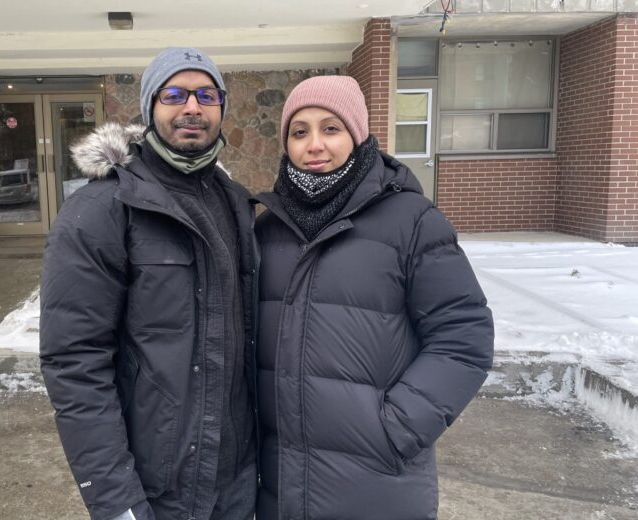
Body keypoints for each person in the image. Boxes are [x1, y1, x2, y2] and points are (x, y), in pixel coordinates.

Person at [254, 75, 495, 520]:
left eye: (331, 128)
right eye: (299, 131)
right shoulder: (267, 230)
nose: (314, 146)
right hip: (282, 487)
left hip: (377, 485)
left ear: (358, 134)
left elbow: (463, 337)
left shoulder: (412, 221)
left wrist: (397, 429)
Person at [39, 47, 258, 520]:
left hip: (237, 483)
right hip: (158, 490)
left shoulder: (236, 203)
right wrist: (115, 498)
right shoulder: (102, 210)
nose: (192, 107)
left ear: (222, 107)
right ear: (149, 107)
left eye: (206, 95)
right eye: (174, 94)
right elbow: (76, 364)